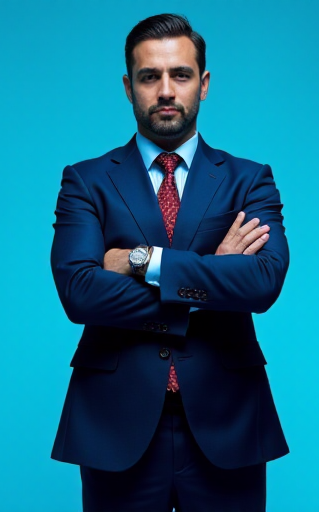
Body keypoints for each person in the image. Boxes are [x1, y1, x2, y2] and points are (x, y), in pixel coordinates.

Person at [49, 13, 289, 512]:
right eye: (148, 76)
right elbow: (79, 291)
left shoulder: (249, 180)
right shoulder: (85, 181)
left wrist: (143, 260)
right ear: (127, 86)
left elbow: (262, 281)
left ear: (203, 85)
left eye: (180, 75)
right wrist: (212, 275)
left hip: (228, 419)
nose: (165, 90)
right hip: (116, 422)